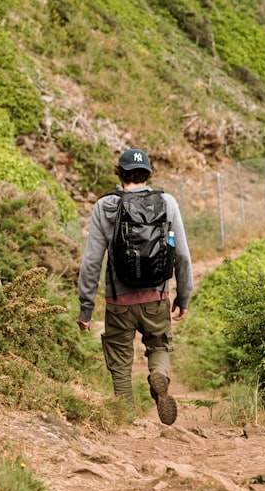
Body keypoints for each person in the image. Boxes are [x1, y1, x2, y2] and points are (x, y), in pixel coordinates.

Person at [76, 148, 192, 425]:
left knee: (120, 361)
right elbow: (182, 254)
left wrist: (86, 306)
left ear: (120, 172)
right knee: (159, 344)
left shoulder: (105, 206)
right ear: (148, 173)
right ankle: (159, 376)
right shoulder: (166, 202)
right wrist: (183, 296)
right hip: (157, 296)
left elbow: (92, 260)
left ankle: (127, 421)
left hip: (119, 301)